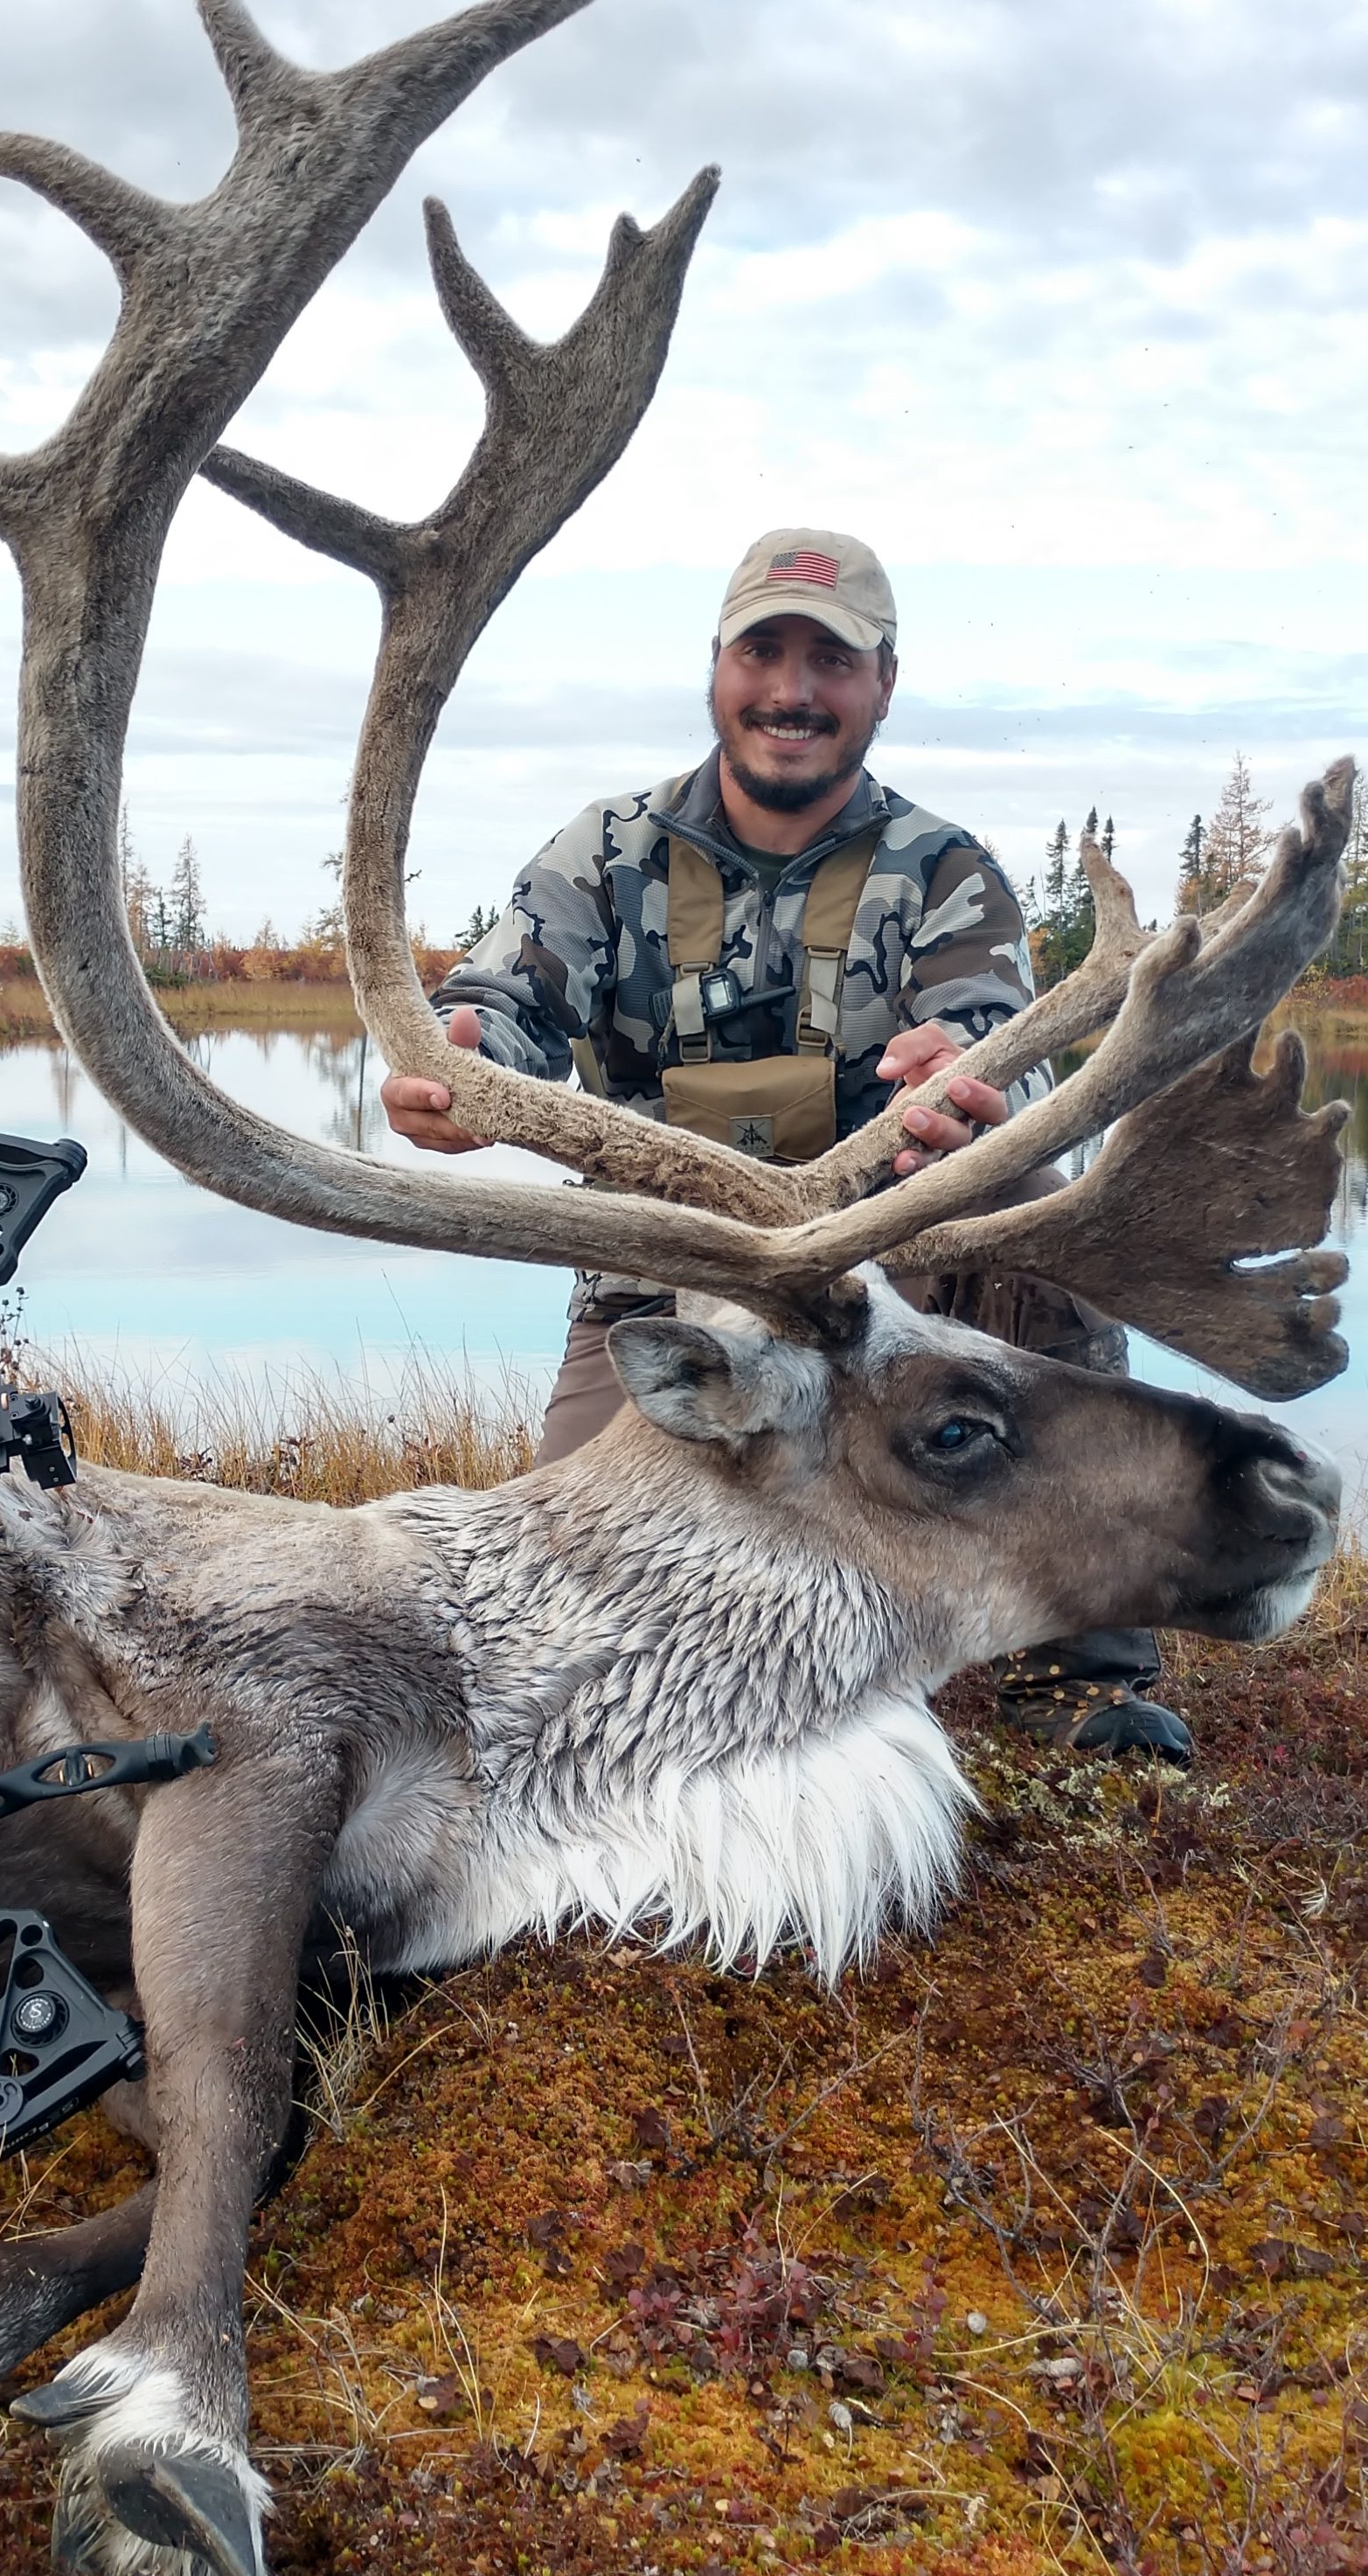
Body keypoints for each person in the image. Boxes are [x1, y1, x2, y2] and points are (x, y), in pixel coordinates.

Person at [382, 524, 1192, 1765]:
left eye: (833, 659)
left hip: (897, 1286)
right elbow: (506, 1005)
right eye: (765, 650)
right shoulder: (604, 856)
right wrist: (466, 1064)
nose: (793, 691)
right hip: (665, 1288)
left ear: (882, 685)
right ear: (717, 665)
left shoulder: (944, 869)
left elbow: (996, 1026)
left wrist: (970, 1077)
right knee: (555, 1594)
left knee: (1031, 1181)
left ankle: (1087, 1667)